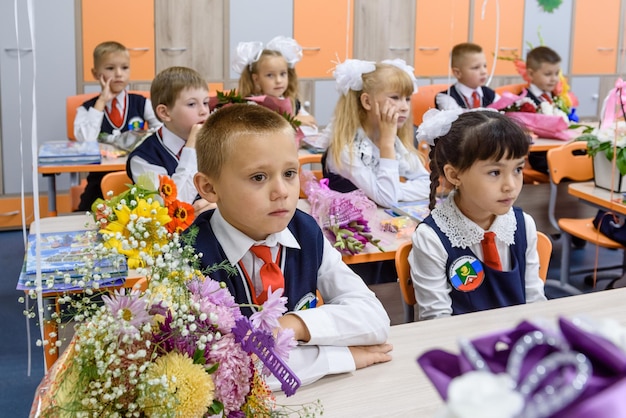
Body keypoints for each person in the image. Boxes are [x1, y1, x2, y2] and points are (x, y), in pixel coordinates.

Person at [191, 103, 392, 389]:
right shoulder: (191, 259)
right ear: (209, 188)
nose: (282, 192)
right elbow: (226, 373)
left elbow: (374, 319)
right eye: (258, 177)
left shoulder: (305, 230)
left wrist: (292, 326)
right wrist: (338, 358)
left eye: (289, 173)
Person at [410, 109, 547, 320]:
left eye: (518, 170)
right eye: (495, 172)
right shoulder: (432, 238)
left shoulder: (523, 225)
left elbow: (535, 303)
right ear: (454, 175)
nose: (510, 186)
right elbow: (436, 321)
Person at [322, 59, 430, 209]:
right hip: (350, 227)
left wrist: (396, 190)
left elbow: (427, 183)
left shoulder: (393, 141)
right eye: (395, 98)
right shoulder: (345, 149)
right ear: (367, 102)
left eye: (407, 99)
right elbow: (387, 199)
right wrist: (386, 144)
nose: (405, 107)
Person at [74, 40, 161, 212]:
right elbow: (86, 140)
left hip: (137, 179)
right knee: (87, 214)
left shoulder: (142, 103)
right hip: (99, 181)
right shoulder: (86, 109)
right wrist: (101, 102)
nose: (119, 74)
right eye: (110, 68)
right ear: (95, 73)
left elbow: (162, 130)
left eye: (124, 67)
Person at [126, 66, 212, 212]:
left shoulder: (215, 143)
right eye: (192, 104)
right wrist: (190, 150)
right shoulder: (143, 159)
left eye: (205, 102)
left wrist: (219, 206)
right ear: (164, 113)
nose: (204, 111)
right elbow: (170, 209)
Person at [232, 36, 316, 128]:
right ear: (256, 79)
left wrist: (302, 118)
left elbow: (307, 121)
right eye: (270, 75)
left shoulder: (292, 102)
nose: (278, 80)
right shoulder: (252, 106)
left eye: (283, 74)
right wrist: (293, 121)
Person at [523, 46, 563, 174]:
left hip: (559, 148)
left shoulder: (557, 97)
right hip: (540, 155)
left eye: (557, 73)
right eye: (548, 74)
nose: (554, 79)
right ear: (530, 74)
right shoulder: (524, 101)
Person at [435, 42, 500, 110]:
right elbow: (456, 117)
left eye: (485, 66)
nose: (484, 72)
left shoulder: (490, 94)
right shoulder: (445, 98)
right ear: (457, 73)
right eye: (476, 67)